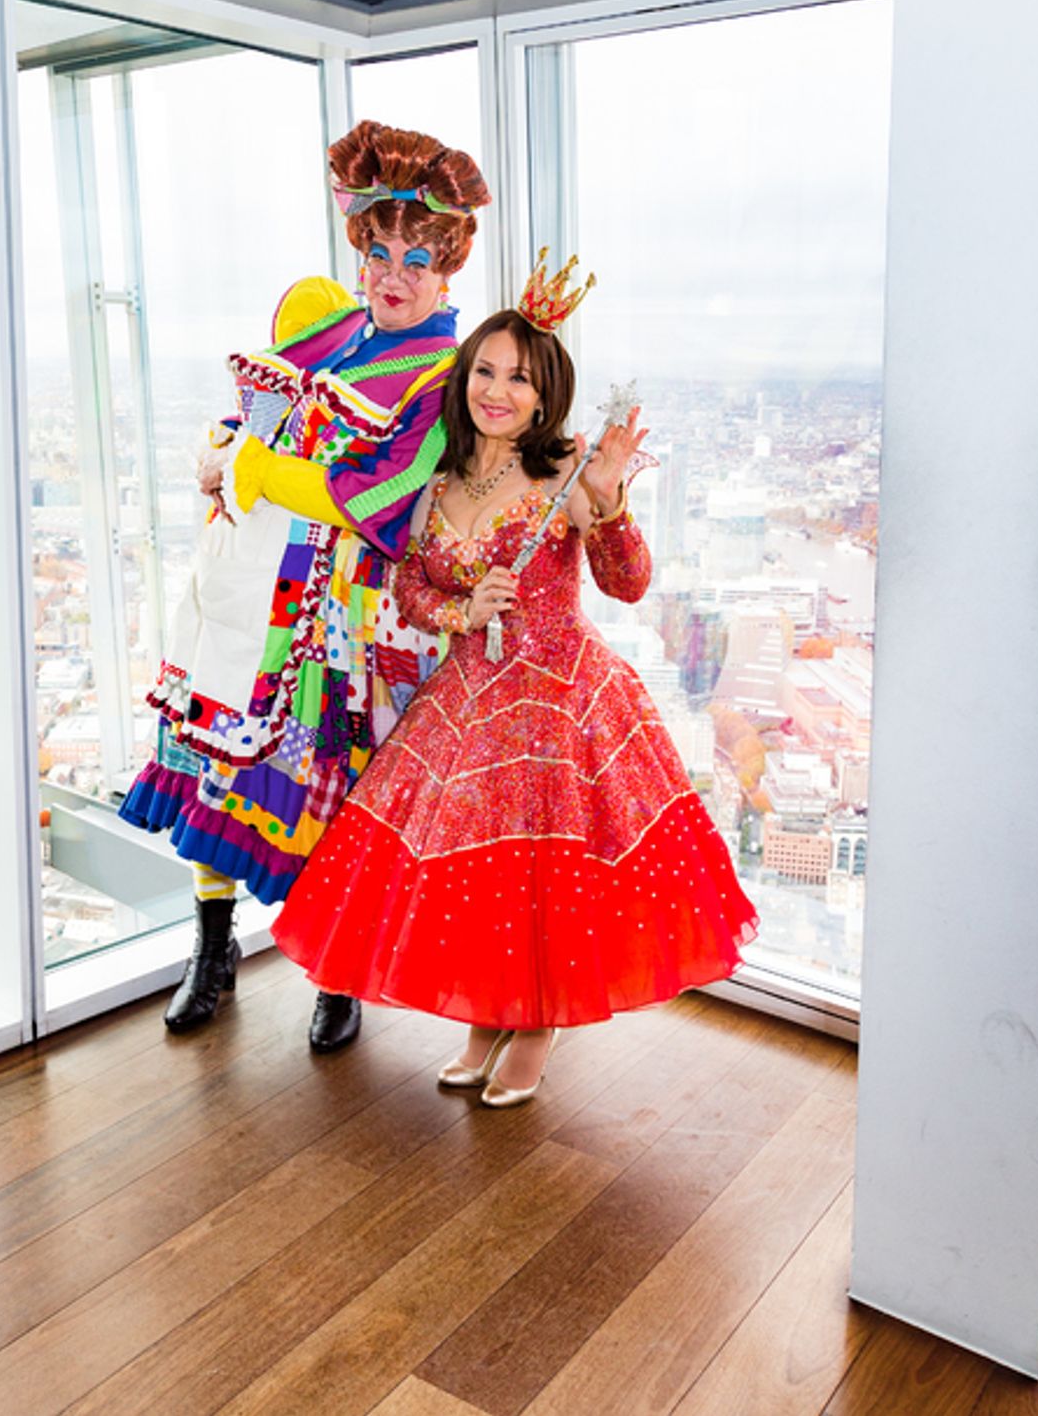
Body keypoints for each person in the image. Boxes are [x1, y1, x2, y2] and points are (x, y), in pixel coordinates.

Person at [272, 256, 759, 1102]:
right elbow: (411, 590)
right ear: (464, 379)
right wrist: (462, 610)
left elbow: (628, 582)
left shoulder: (564, 470)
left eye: (519, 380)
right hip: (467, 702)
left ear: (546, 394)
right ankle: (487, 1018)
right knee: (481, 876)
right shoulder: (437, 483)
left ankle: (534, 1028)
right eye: (486, 372)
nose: (497, 391)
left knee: (543, 877)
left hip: (562, 698)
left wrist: (607, 501)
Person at [118, 119, 490, 1051]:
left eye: (414, 257)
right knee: (209, 770)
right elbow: (245, 416)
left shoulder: (446, 377)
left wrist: (244, 464)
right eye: (377, 250)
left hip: (339, 624)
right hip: (243, 590)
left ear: (448, 272)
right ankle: (212, 950)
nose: (392, 273)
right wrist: (223, 450)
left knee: (327, 797)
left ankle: (338, 969)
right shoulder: (327, 333)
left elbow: (376, 499)